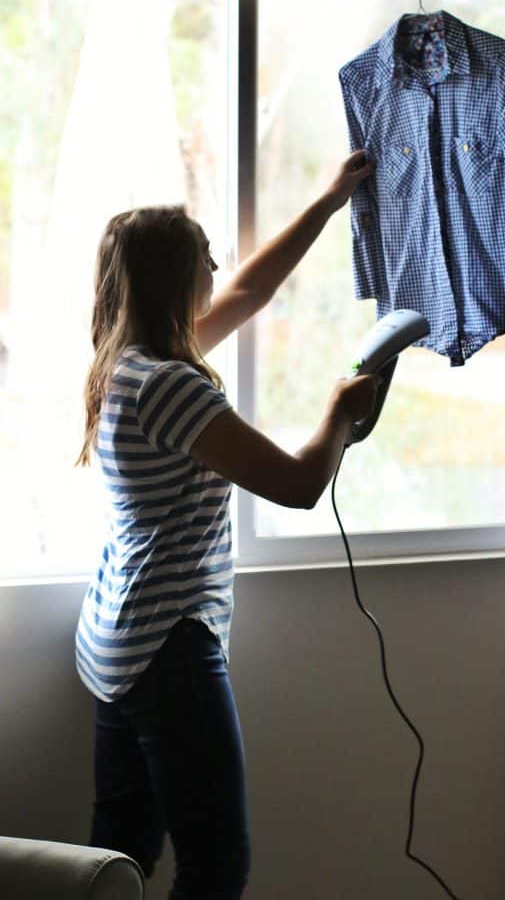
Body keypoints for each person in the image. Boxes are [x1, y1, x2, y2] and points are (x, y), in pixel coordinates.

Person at [75, 150, 378, 899]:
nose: (218, 265)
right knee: (215, 868)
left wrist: (328, 200)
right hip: (167, 645)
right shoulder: (172, 385)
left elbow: (251, 288)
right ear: (176, 279)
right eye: (206, 256)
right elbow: (300, 484)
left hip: (118, 639)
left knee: (118, 859)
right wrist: (338, 415)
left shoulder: (128, 364)